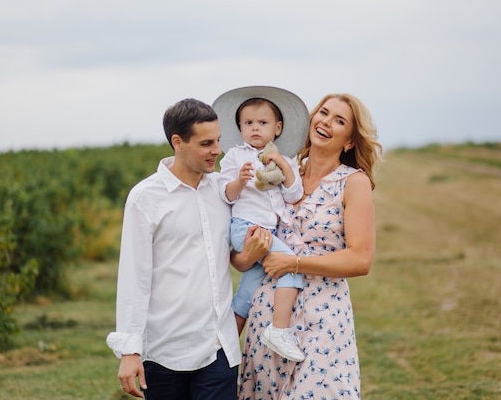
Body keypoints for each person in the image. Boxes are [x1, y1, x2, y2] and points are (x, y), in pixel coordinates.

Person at [105, 98, 270, 400]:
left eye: (218, 140)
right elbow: (134, 277)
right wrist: (129, 350)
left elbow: (230, 257)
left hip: (218, 348)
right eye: (206, 143)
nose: (217, 150)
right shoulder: (145, 198)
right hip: (165, 352)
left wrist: (248, 256)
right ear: (177, 142)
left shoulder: (224, 190)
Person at [233, 93, 383, 400]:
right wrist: (246, 256)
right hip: (268, 317)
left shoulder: (353, 182)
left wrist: (295, 264)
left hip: (322, 320)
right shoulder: (282, 174)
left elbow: (361, 259)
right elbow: (244, 256)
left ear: (350, 141)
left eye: (339, 121)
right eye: (324, 113)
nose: (326, 122)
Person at [213, 86, 310, 362]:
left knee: (247, 290)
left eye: (263, 123)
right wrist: (240, 181)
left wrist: (284, 165)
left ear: (277, 128)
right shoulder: (235, 156)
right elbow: (225, 194)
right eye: (248, 123)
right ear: (240, 128)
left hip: (269, 231)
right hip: (245, 227)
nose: (255, 128)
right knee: (290, 263)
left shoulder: (284, 159)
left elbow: (294, 195)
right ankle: (279, 330)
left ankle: (222, 346)